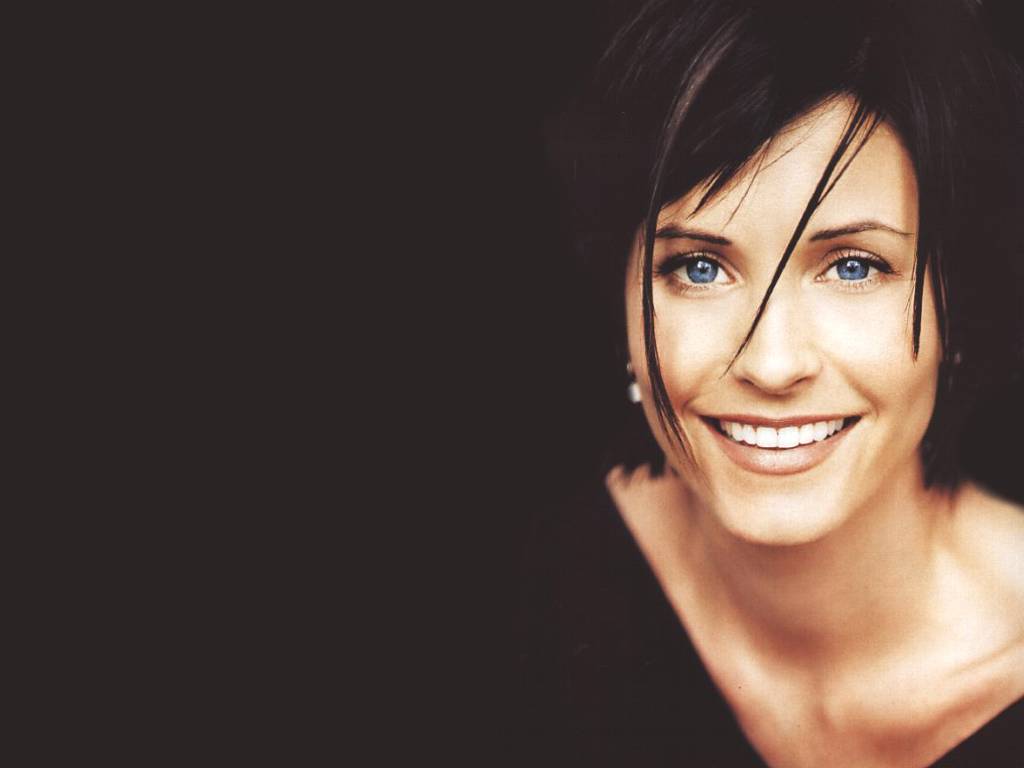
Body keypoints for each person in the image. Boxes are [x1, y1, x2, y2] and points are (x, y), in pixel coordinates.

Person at [519, 1, 1024, 765]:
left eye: (853, 267)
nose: (771, 363)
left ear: (958, 302)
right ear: (620, 296)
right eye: (699, 267)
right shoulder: (541, 591)